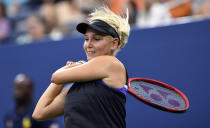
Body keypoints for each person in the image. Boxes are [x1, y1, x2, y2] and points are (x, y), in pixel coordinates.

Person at [32, 6, 130, 128]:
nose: (88, 45)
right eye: (86, 39)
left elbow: (56, 76)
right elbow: (39, 112)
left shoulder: (111, 64)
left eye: (97, 39)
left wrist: (72, 68)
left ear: (114, 43)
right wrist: (66, 76)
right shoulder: (78, 85)